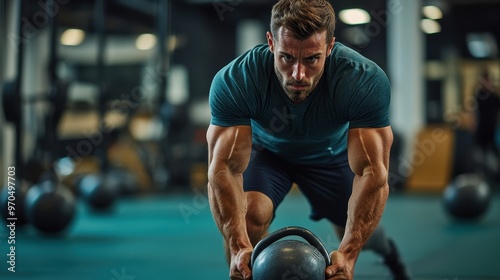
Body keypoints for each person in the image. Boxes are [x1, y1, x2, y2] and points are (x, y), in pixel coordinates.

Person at [206, 0, 410, 279]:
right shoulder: (238, 79)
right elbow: (223, 169)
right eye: (287, 57)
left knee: (363, 234)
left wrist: (349, 254)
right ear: (270, 42)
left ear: (329, 47)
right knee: (250, 218)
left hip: (331, 156)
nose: (298, 74)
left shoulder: (361, 79)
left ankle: (391, 256)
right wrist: (238, 245)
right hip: (268, 155)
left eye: (312, 58)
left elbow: (372, 172)